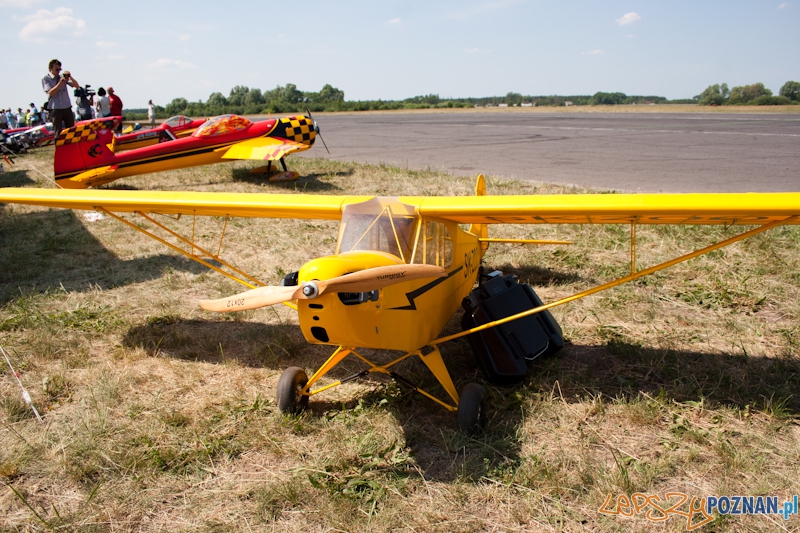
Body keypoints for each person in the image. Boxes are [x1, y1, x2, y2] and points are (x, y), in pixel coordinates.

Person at [42, 59, 79, 136]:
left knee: (71, 131)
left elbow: (76, 86)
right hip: (56, 108)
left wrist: (70, 76)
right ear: (50, 68)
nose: (58, 71)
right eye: (56, 69)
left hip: (67, 106)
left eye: (60, 69)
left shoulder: (62, 77)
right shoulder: (46, 79)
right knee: (58, 133)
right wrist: (60, 82)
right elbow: (51, 93)